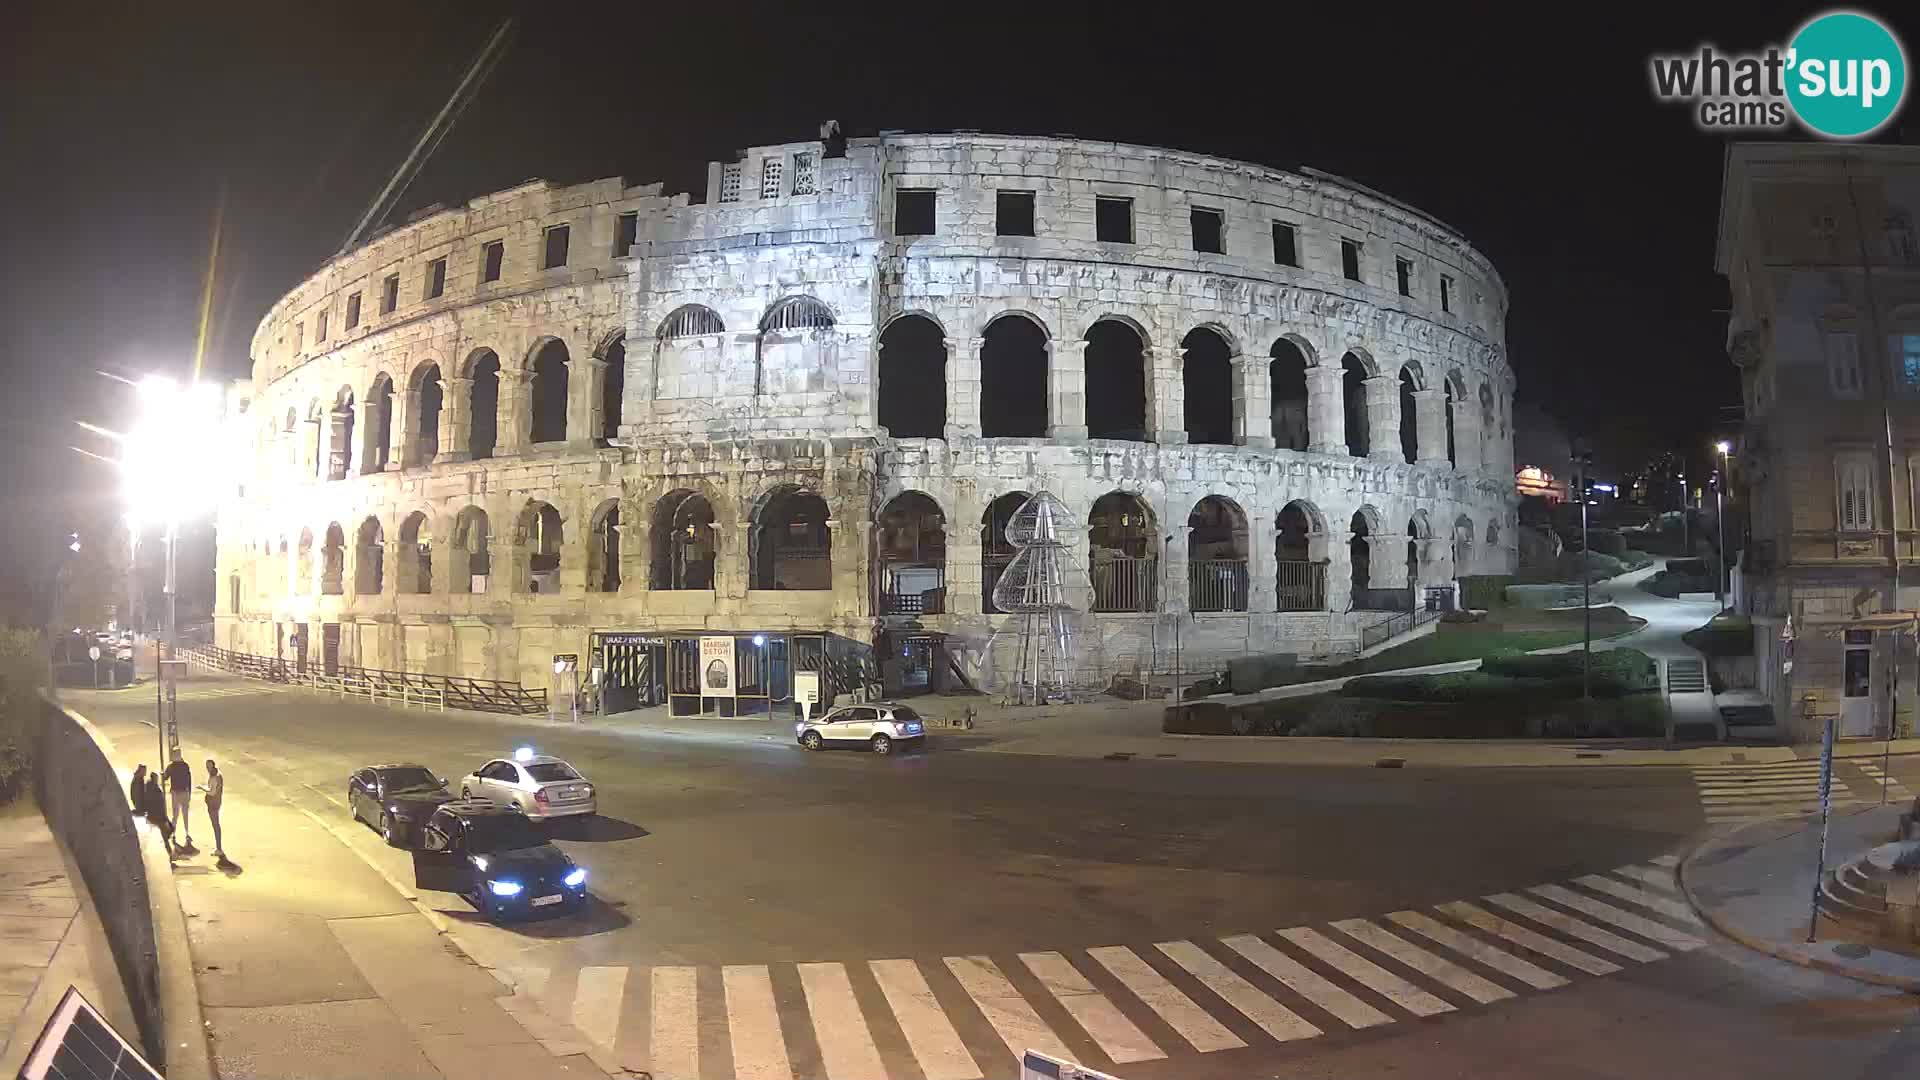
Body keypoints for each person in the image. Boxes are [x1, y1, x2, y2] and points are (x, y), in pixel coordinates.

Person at [164, 751, 193, 848]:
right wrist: (190, 794)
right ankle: (187, 834)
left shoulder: (171, 766)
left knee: (175, 815)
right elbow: (189, 780)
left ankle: (173, 834)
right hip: (184, 792)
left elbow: (165, 778)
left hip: (175, 793)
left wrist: (162, 774)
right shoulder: (185, 765)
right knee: (185, 815)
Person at [142, 772, 174, 858]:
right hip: (159, 817)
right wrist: (164, 818)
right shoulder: (155, 790)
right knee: (165, 835)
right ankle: (169, 855)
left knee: (164, 834)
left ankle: (169, 854)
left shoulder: (148, 789)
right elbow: (160, 805)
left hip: (153, 816)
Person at [200, 759, 224, 861]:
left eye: (208, 766)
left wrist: (202, 788)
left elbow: (212, 792)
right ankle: (218, 847)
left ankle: (219, 848)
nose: (207, 768)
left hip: (213, 803)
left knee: (215, 825)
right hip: (216, 802)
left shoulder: (214, 777)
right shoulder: (218, 775)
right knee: (216, 825)